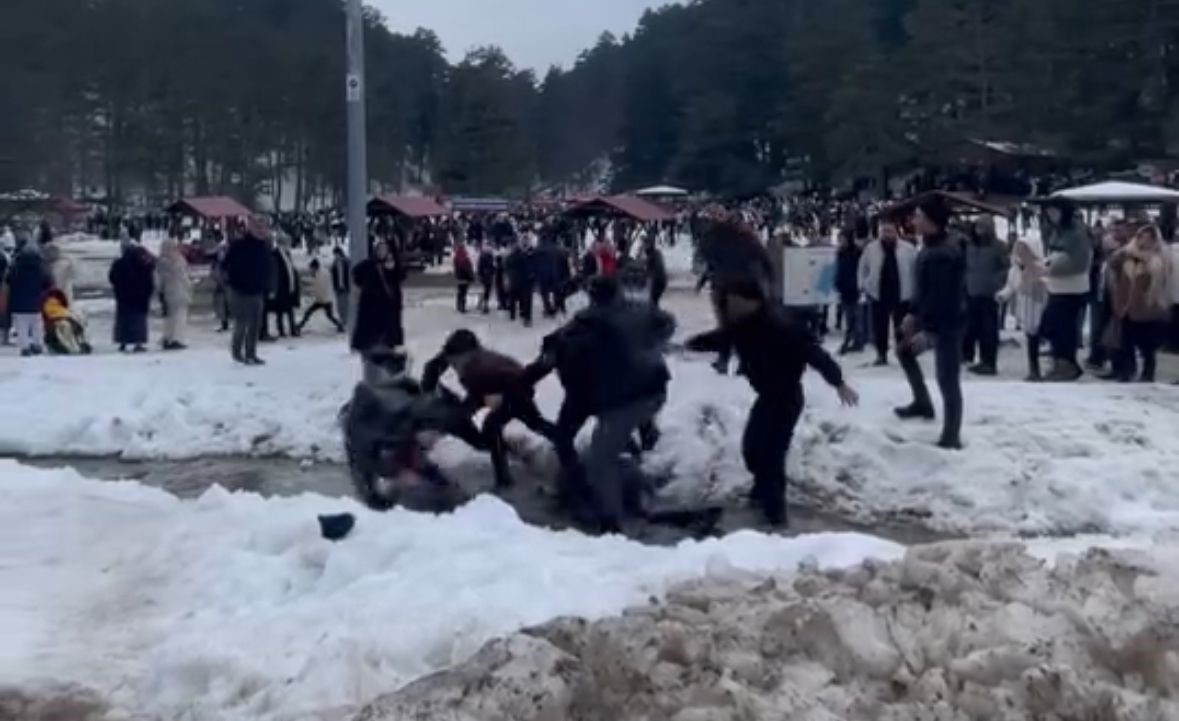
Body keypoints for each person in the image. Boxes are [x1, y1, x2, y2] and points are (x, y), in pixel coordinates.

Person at [686, 278, 857, 526]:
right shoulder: (743, 324)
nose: (730, 308)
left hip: (786, 397)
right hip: (767, 396)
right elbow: (721, 338)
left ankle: (775, 517)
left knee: (772, 455)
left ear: (751, 302)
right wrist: (694, 343)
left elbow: (814, 353)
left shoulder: (781, 324)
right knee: (752, 449)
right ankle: (761, 492)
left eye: (735, 302)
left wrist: (838, 382)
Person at [519, 276, 676, 533]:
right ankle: (585, 487)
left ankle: (610, 520)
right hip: (600, 394)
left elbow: (543, 365)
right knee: (576, 440)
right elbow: (667, 325)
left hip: (616, 395)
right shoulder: (589, 325)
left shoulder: (604, 322)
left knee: (600, 453)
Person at [421, 330, 559, 489]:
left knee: (495, 425)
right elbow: (433, 367)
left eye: (455, 362)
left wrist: (501, 397)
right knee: (529, 422)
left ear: (468, 354)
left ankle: (504, 478)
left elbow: (521, 380)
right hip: (492, 390)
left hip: (514, 391)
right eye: (451, 362)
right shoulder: (461, 358)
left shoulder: (481, 367)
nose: (453, 366)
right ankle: (558, 438)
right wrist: (428, 390)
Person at [895, 197, 967, 450]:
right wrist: (912, 313)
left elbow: (942, 298)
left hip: (947, 323)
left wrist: (927, 330)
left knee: (948, 378)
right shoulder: (929, 246)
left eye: (917, 216)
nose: (913, 220)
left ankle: (951, 435)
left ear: (931, 221)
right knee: (904, 351)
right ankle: (922, 402)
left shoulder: (943, 254)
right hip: (931, 318)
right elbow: (923, 290)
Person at [1104, 225, 1173, 383]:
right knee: (1126, 341)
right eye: (1141, 237)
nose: (1144, 241)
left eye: (1148, 238)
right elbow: (1112, 263)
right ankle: (1127, 371)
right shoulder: (1127, 256)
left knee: (1147, 344)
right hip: (1126, 306)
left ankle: (1148, 373)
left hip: (1148, 308)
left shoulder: (1158, 259)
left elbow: (1161, 280)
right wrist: (1125, 252)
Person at [1039, 198, 1093, 381]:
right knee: (1055, 326)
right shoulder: (1057, 231)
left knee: (1064, 329)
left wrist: (1051, 267)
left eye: (1054, 211)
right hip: (1057, 286)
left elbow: (1079, 262)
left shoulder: (1077, 232)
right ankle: (1063, 362)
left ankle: (1066, 365)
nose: (1051, 216)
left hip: (1072, 288)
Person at [858, 220, 916, 366]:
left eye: (890, 231)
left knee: (901, 326)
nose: (887, 234)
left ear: (896, 232)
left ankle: (903, 353)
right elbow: (862, 268)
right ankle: (881, 354)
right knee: (879, 326)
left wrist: (916, 289)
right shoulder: (871, 248)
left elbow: (915, 270)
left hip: (902, 291)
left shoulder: (908, 249)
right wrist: (864, 284)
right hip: (878, 292)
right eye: (884, 231)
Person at [960, 217, 1010, 375]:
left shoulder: (999, 246)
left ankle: (989, 362)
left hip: (989, 295)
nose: (979, 230)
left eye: (983, 227)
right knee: (969, 327)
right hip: (971, 292)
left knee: (988, 331)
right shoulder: (969, 246)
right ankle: (968, 356)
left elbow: (1006, 268)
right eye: (978, 227)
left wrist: (997, 282)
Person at [223, 216, 274, 365]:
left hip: (258, 291)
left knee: (255, 324)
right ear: (250, 228)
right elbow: (226, 264)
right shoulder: (239, 245)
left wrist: (268, 285)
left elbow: (268, 268)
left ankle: (251, 354)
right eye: (258, 227)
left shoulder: (265, 247)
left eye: (263, 227)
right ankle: (237, 352)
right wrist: (232, 280)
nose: (261, 230)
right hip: (240, 290)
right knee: (242, 323)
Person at [997, 238, 1049, 381]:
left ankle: (1042, 369)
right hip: (1025, 307)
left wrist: (1040, 283)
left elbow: (1048, 285)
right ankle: (1034, 369)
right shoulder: (1015, 269)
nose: (1020, 253)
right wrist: (1002, 295)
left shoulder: (1041, 268)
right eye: (1018, 249)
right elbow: (1011, 286)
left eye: (1024, 249)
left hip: (1040, 306)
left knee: (1038, 338)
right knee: (1031, 339)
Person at [352, 238, 405, 368]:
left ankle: (383, 369)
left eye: (384, 249)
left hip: (388, 316)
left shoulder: (393, 265)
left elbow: (401, 276)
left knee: (386, 347)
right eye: (379, 249)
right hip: (371, 315)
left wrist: (392, 266)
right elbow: (356, 274)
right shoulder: (369, 265)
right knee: (371, 346)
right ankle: (372, 367)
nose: (382, 252)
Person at [108, 241, 155, 353]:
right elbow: (149, 280)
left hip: (123, 298)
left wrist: (118, 289)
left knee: (123, 321)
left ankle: (123, 342)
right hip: (139, 299)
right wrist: (148, 293)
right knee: (138, 321)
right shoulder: (141, 264)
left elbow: (112, 278)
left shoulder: (118, 263)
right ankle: (138, 342)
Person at [7, 241, 49, 356]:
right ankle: (37, 344)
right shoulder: (40, 268)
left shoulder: (16, 267)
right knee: (36, 325)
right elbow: (46, 282)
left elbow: (9, 280)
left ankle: (25, 347)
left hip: (19, 302)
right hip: (36, 301)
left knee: (21, 327)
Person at [157, 236, 192, 350]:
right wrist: (189, 287)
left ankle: (167, 337)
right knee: (180, 316)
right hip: (180, 291)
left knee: (169, 317)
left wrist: (160, 291)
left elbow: (158, 279)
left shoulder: (161, 262)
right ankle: (177, 338)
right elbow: (185, 277)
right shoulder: (179, 260)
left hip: (167, 293)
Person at [263, 235, 301, 340]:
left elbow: (290, 268)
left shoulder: (288, 254)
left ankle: (292, 329)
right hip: (280, 286)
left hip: (289, 285)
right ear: (281, 243)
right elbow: (275, 272)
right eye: (287, 243)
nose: (288, 245)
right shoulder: (274, 254)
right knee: (280, 309)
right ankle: (281, 330)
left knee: (290, 309)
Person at [835, 231, 864, 355]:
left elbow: (861, 268)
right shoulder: (840, 253)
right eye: (839, 239)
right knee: (849, 316)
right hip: (845, 288)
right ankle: (851, 339)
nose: (841, 242)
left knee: (856, 316)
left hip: (855, 287)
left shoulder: (857, 252)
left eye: (843, 239)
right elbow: (839, 269)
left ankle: (858, 341)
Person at [298, 258, 345, 333]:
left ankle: (300, 325)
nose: (311, 270)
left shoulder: (321, 274)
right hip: (325, 298)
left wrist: (307, 287)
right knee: (329, 315)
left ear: (314, 267)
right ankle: (340, 325)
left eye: (311, 268)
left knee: (310, 312)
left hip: (323, 299)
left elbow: (318, 285)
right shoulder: (322, 272)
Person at [504, 236, 536, 326]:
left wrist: (507, 278)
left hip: (513, 280)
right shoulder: (525, 256)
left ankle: (512, 315)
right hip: (525, 281)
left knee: (513, 298)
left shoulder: (509, 257)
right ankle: (527, 318)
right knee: (527, 300)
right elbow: (530, 268)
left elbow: (506, 268)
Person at [42, 241, 76, 305]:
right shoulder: (45, 264)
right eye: (48, 252)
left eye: (52, 251)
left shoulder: (63, 264)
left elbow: (60, 283)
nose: (49, 254)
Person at [644, 231, 668, 308]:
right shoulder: (655, 253)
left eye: (645, 244)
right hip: (660, 280)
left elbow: (655, 269)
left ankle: (654, 314)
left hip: (658, 281)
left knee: (653, 300)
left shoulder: (653, 255)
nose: (644, 246)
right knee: (653, 300)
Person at [330, 246, 352, 324]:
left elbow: (343, 275)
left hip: (343, 287)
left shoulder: (343, 262)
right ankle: (343, 320)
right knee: (341, 305)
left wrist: (342, 284)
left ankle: (344, 321)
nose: (335, 256)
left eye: (336, 254)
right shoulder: (338, 262)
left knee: (343, 305)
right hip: (340, 287)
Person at [453, 241, 475, 314]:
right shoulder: (465, 258)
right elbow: (468, 269)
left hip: (459, 278)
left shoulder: (456, 257)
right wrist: (471, 277)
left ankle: (458, 306)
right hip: (465, 278)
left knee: (460, 292)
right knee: (464, 293)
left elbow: (456, 268)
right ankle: (462, 307)